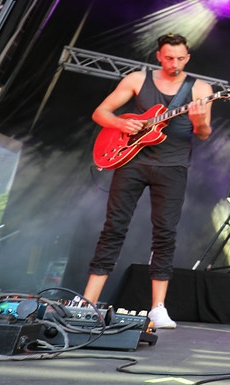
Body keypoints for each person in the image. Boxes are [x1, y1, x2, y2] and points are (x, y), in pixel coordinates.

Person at [83, 34, 212, 328]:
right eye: (169, 58)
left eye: (180, 59)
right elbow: (100, 112)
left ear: (188, 58)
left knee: (165, 233)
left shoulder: (201, 88)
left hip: (173, 166)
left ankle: (158, 308)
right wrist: (120, 122)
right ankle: (88, 301)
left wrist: (199, 120)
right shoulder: (138, 79)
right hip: (131, 161)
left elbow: (204, 133)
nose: (174, 64)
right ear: (158, 56)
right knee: (114, 226)